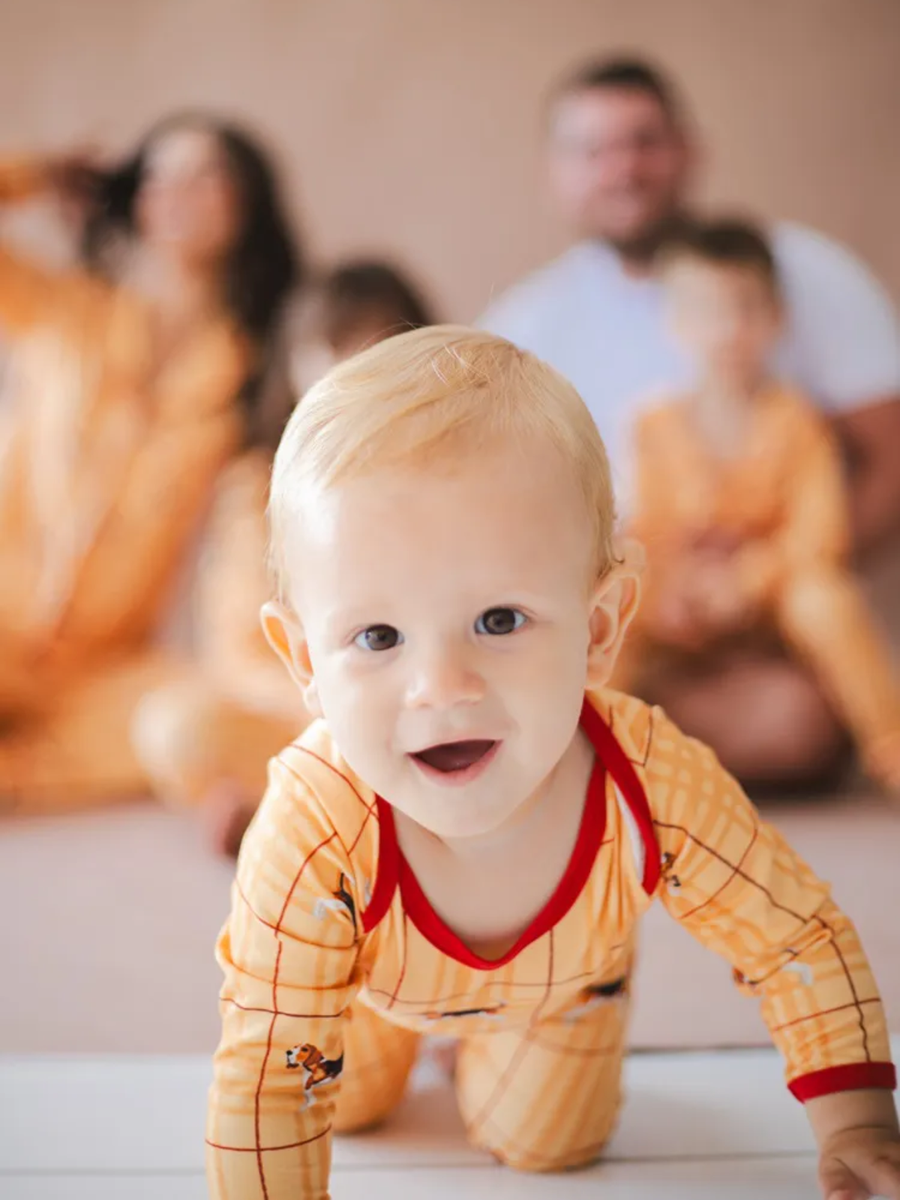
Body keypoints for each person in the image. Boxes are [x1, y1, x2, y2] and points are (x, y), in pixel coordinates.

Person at [206, 327, 897, 1200]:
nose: (441, 687)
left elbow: (792, 934)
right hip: (366, 984)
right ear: (304, 661)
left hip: (562, 990)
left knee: (548, 1148)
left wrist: (858, 1124)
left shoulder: (645, 780)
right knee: (343, 1102)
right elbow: (270, 1072)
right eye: (377, 636)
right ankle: (413, 1045)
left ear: (601, 629)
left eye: (499, 620)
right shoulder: (313, 826)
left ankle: (486, 1055)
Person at [480, 56, 900, 786]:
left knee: (794, 719)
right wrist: (652, 586)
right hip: (628, 613)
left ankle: (607, 752)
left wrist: (764, 585)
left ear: (688, 149)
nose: (624, 168)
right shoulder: (523, 327)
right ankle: (598, 734)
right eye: (594, 150)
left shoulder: (800, 274)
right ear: (557, 173)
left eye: (644, 141)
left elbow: (884, 458)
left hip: (771, 630)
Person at [0, 113, 301, 813]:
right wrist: (40, 173)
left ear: (247, 202)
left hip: (107, 672)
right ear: (132, 195)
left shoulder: (255, 373)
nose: (178, 194)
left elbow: (242, 542)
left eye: (206, 174)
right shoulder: (69, 309)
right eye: (158, 175)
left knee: (179, 724)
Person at [132, 260, 436, 854]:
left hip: (423, 701)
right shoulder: (256, 487)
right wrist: (332, 711)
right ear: (295, 365)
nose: (350, 375)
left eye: (374, 353)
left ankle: (305, 812)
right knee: (171, 724)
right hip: (310, 712)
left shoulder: (448, 471)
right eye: (329, 352)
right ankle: (326, 803)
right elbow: (237, 647)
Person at [614, 219, 900, 791]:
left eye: (743, 310)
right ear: (674, 324)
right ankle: (588, 750)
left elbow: (817, 539)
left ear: (776, 319)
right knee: (615, 598)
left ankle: (890, 749)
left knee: (826, 598)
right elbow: (643, 531)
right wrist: (676, 587)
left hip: (770, 601)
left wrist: (745, 583)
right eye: (704, 313)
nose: (725, 331)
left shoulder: (796, 421)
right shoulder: (653, 425)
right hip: (684, 598)